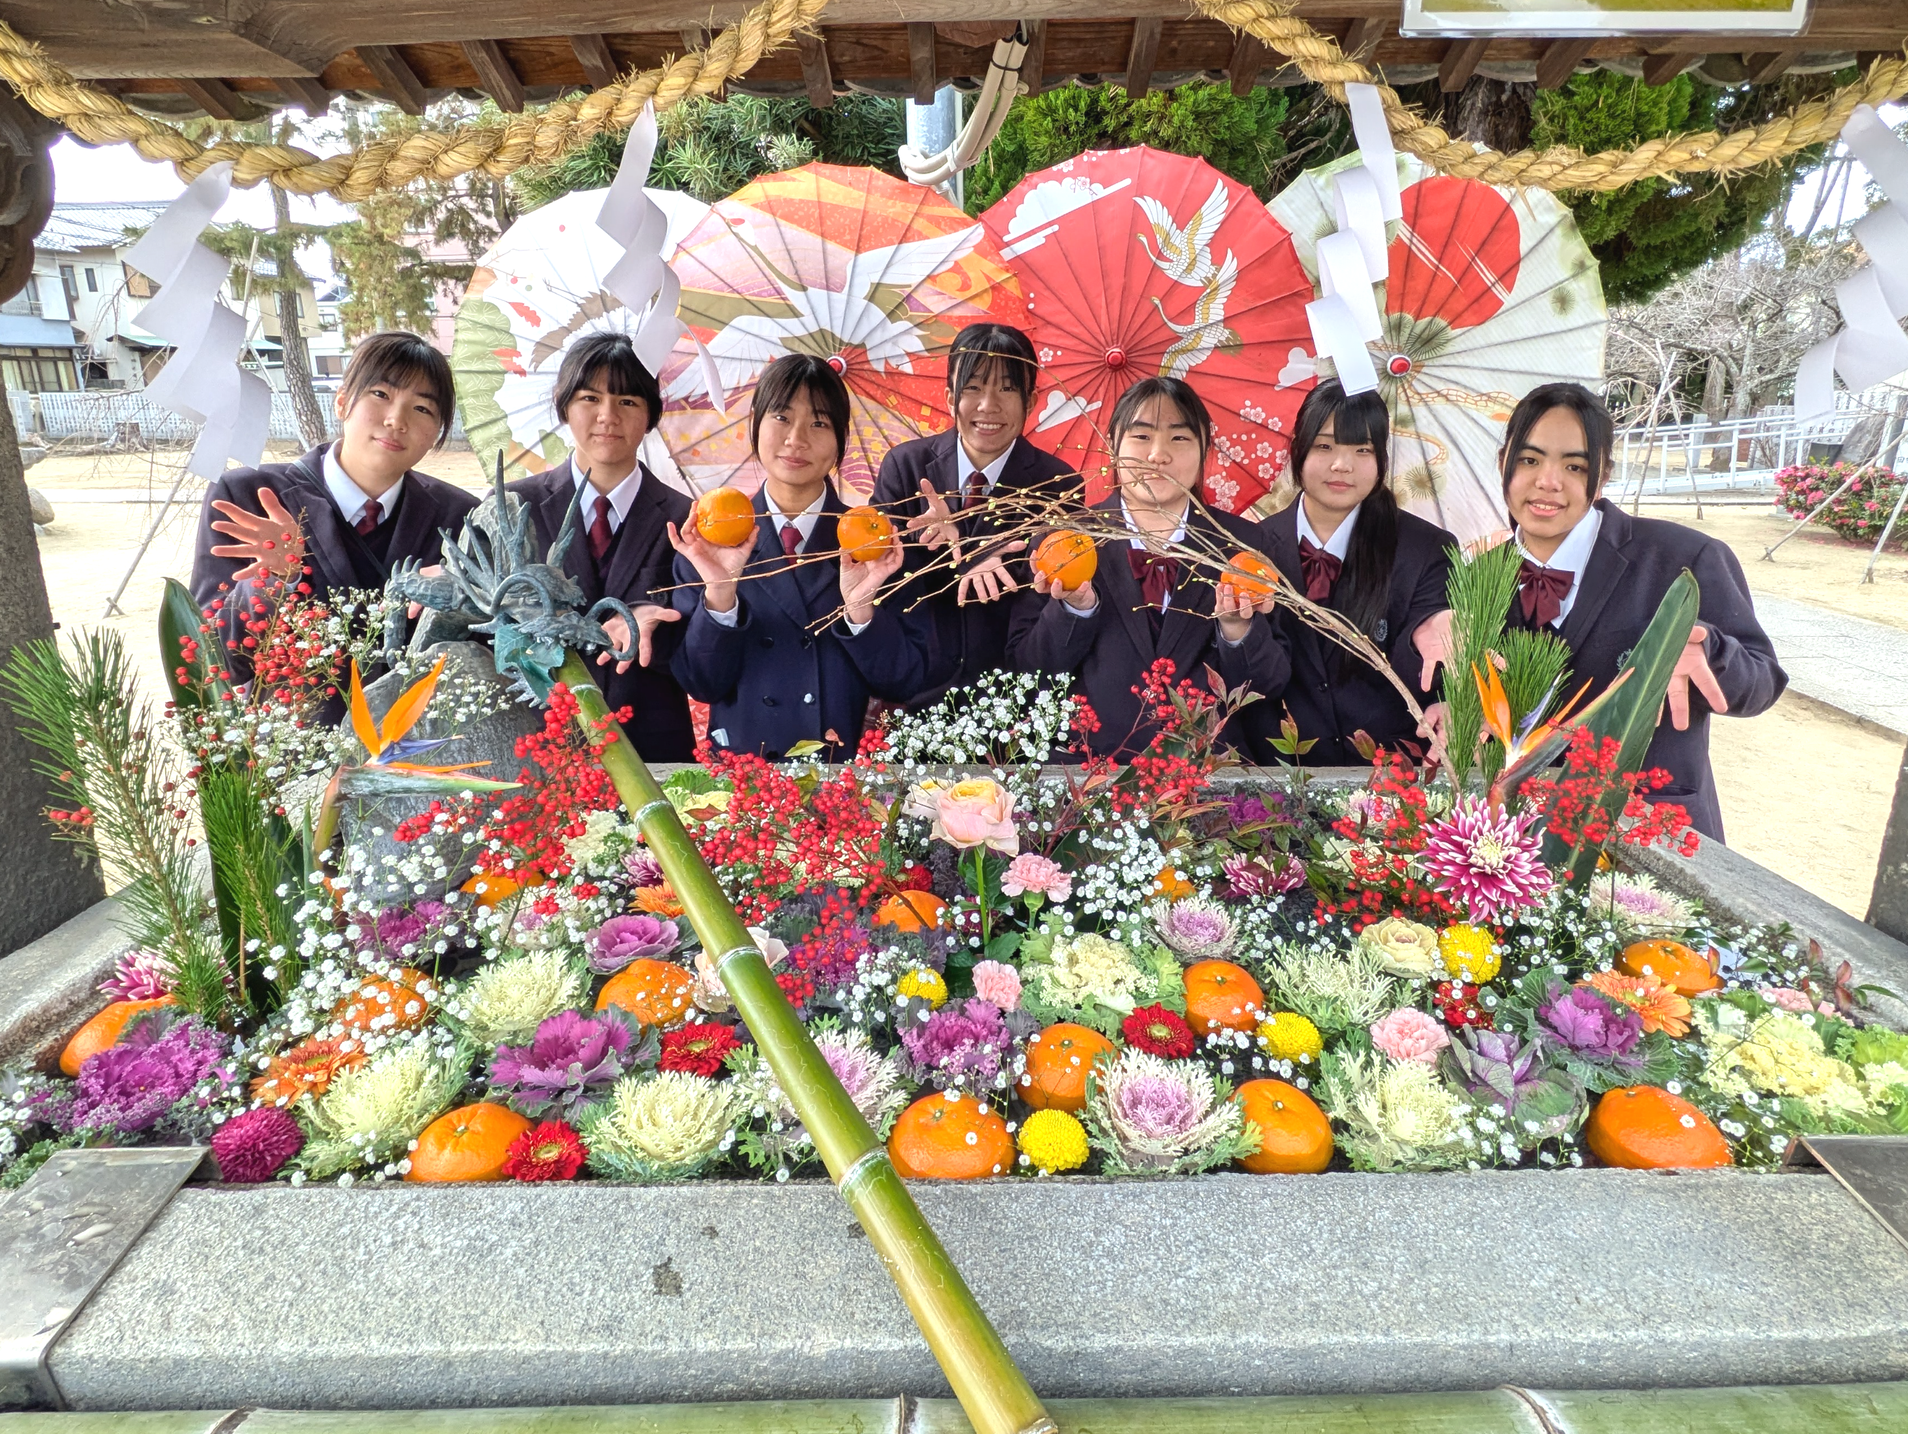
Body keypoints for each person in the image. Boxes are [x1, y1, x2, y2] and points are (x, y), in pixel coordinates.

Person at [1495, 381, 1786, 840]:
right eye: (1529, 460)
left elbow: (1763, 682)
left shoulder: (1684, 556)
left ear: (1604, 475)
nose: (1547, 482)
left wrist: (1709, 653)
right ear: (1503, 463)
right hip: (1518, 841)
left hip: (1646, 830)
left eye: (1575, 465)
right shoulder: (1483, 575)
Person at [1006, 376, 1288, 758]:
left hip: (1206, 778)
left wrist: (1238, 631)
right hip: (1089, 777)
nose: (1158, 454)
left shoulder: (1245, 547)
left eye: (1179, 438)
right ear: (1113, 447)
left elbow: (1271, 684)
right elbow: (1030, 670)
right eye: (1141, 437)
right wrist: (1076, 607)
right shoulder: (1062, 541)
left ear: (1205, 450)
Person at [668, 354, 926, 760]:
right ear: (755, 424)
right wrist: (719, 594)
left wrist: (860, 611)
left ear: (841, 439)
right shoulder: (707, 541)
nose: (797, 438)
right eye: (782, 418)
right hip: (747, 780)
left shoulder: (876, 546)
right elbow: (702, 683)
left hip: (845, 777)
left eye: (819, 423)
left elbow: (901, 681)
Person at [190, 331, 477, 682]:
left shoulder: (460, 518)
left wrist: (465, 593)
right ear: (341, 402)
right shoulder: (248, 497)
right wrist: (275, 581)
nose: (396, 420)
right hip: (296, 732)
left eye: (422, 408)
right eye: (380, 394)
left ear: (437, 432)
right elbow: (209, 658)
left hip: (421, 732)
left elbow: (485, 650)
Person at [1243, 379, 1456, 766]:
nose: (1342, 465)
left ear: (1381, 460)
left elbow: (1429, 669)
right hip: (1276, 784)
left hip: (1392, 783)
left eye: (1362, 449)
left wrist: (1430, 643)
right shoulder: (1252, 547)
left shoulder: (1427, 549)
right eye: (1325, 446)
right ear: (1298, 450)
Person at [506, 332, 696, 761]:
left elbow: (700, 643)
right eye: (590, 398)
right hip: (537, 747)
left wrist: (654, 623)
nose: (607, 416)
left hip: (652, 749)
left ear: (650, 414)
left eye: (627, 401)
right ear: (564, 406)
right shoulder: (515, 507)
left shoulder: (685, 519)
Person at [870, 323, 1080, 707]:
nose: (989, 405)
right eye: (973, 388)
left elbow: (1051, 588)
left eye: (1007, 388)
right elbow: (882, 580)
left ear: (1031, 400)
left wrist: (969, 547)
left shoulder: (1059, 485)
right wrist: (944, 549)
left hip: (1012, 703)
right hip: (916, 696)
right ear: (950, 396)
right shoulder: (905, 467)